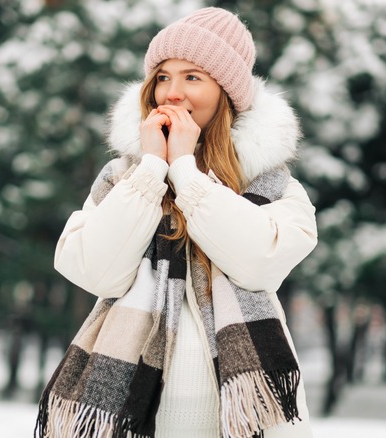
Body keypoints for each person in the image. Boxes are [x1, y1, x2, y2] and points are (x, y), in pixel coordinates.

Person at [36, 7, 317, 438]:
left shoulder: (272, 183)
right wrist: (151, 169)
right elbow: (93, 271)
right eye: (163, 76)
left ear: (226, 92)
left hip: (239, 411)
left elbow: (260, 263)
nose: (172, 93)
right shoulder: (123, 177)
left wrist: (186, 171)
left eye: (192, 77)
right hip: (133, 411)